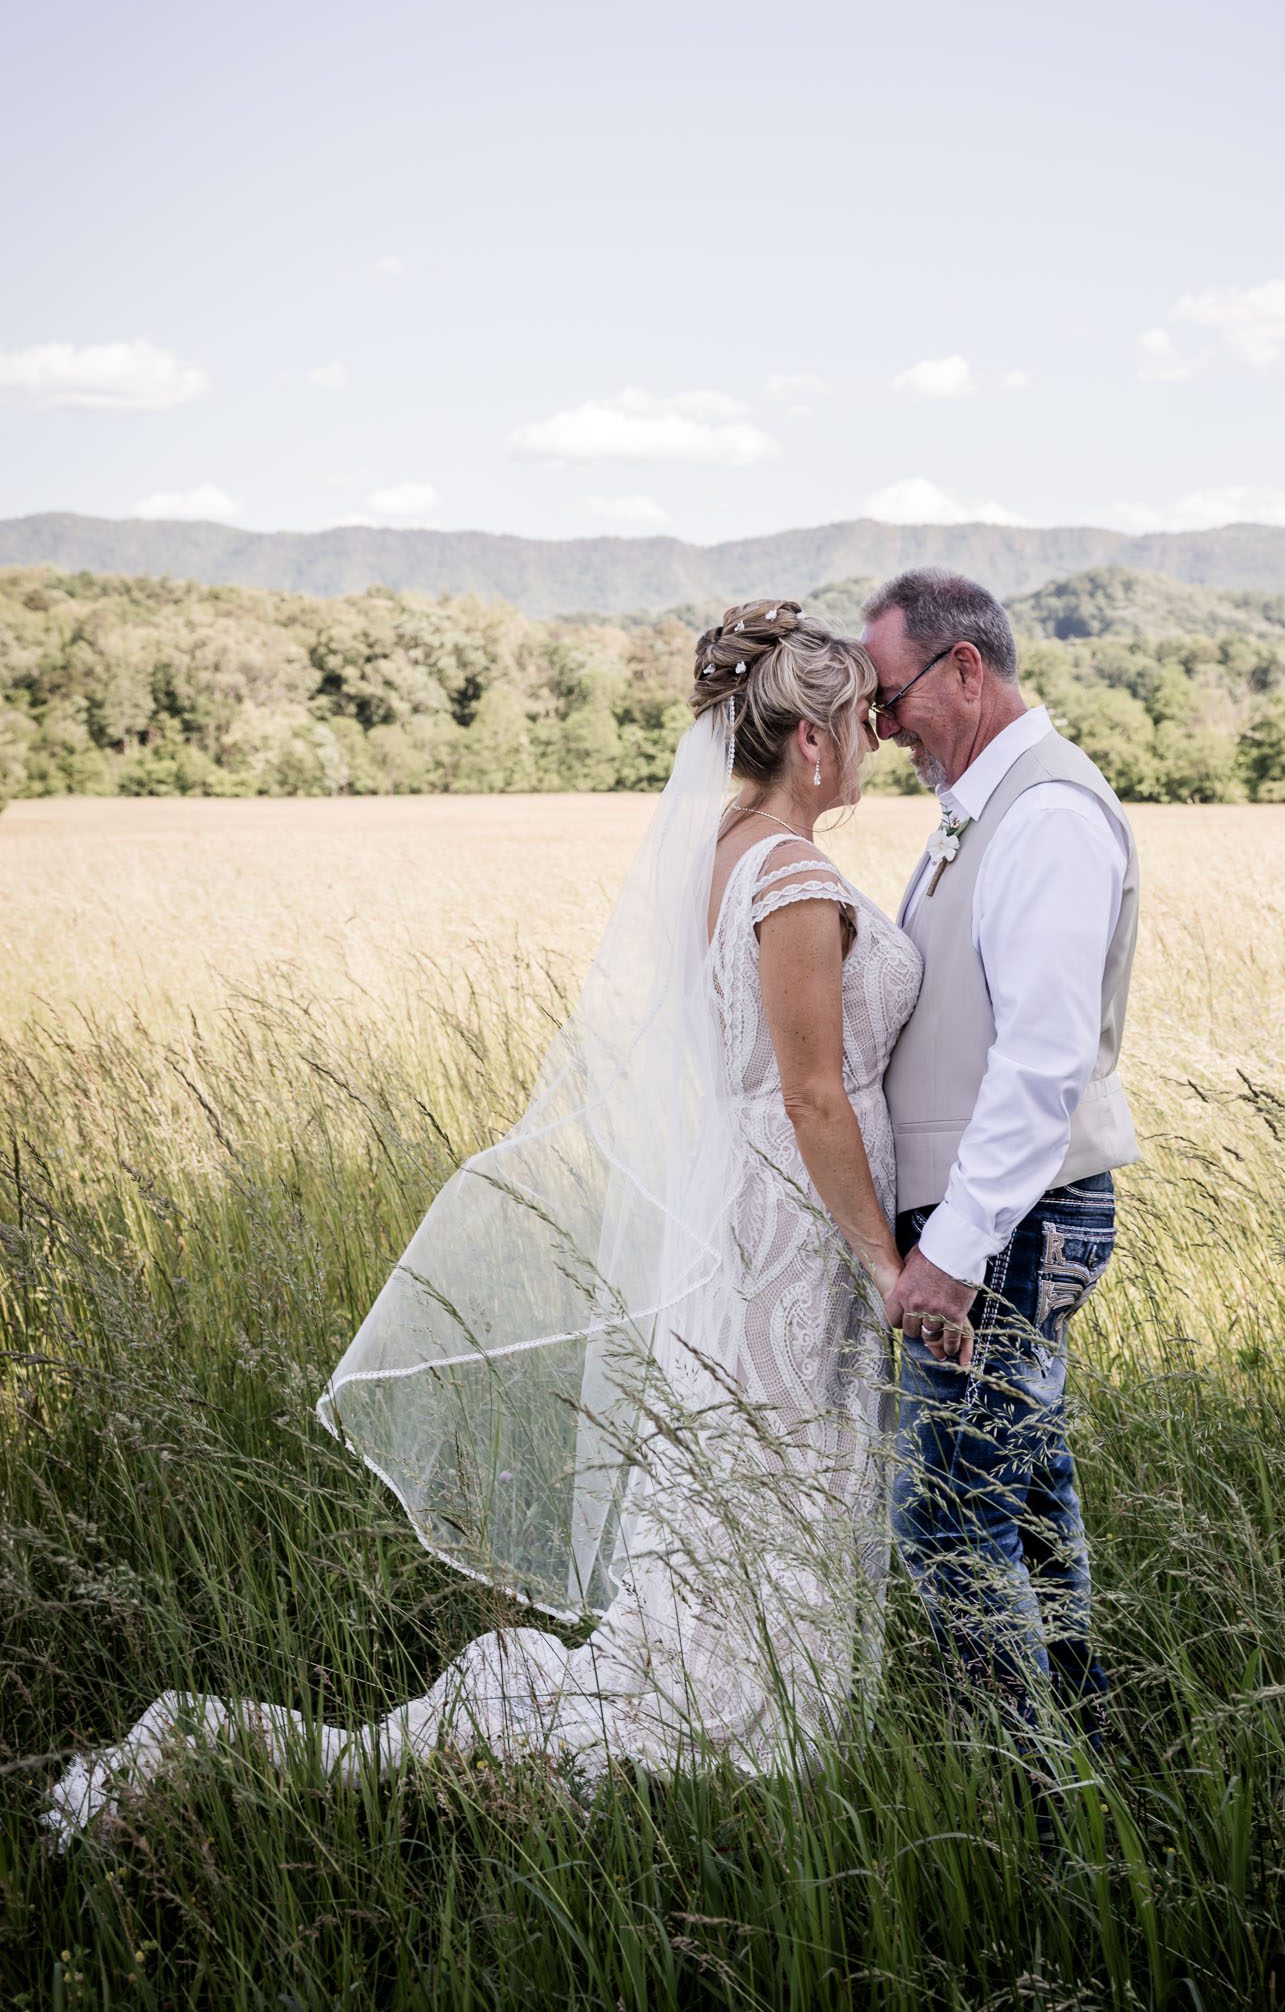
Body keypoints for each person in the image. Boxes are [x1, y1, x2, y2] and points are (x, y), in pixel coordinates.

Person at [45, 600, 922, 1841]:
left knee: (747, 1467)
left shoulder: (723, 846)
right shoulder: (791, 874)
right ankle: (755, 1710)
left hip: (745, 1217)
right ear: (815, 740)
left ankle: (751, 1677)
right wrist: (882, 1258)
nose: (874, 748)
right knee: (776, 1462)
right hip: (789, 1231)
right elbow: (811, 1088)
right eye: (859, 726)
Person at [862, 568, 1139, 1740]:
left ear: (963, 667)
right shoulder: (984, 806)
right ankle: (1079, 1733)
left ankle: (1023, 1790)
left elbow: (1039, 1063)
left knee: (949, 1516)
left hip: (1012, 1221)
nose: (875, 729)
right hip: (998, 1218)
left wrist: (955, 1251)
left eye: (886, 697)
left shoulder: (1048, 816)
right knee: (1022, 1492)